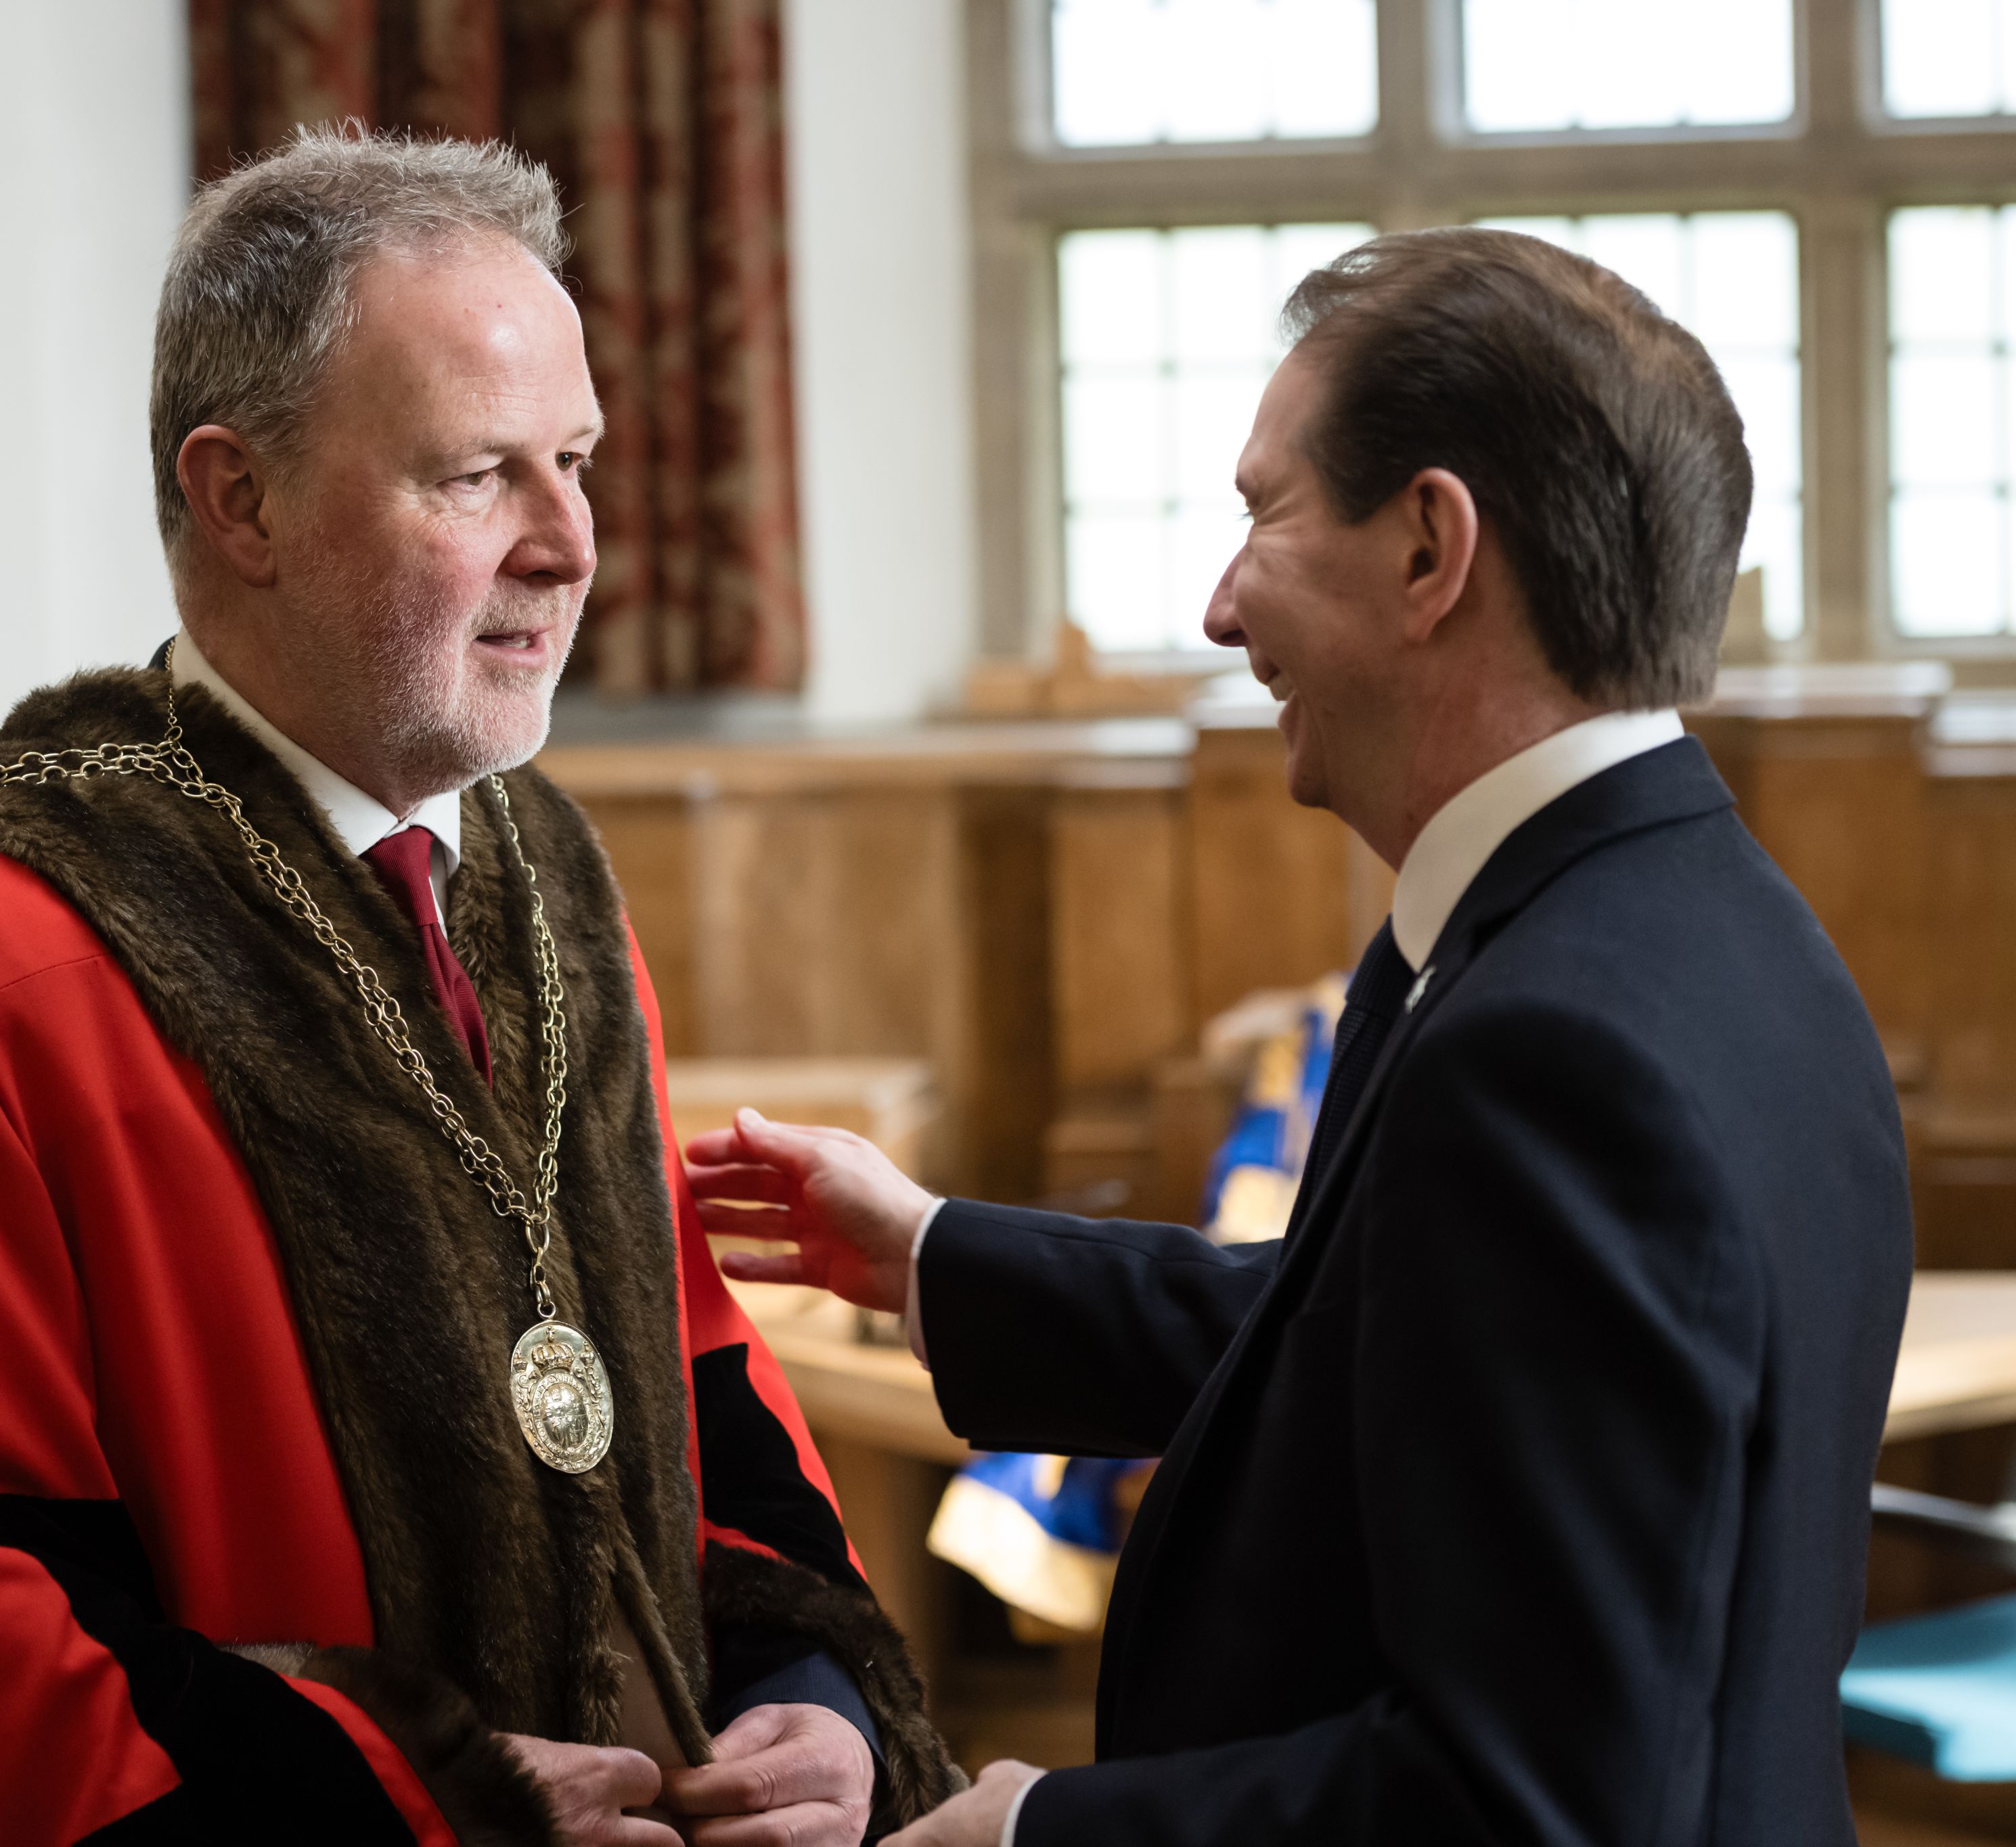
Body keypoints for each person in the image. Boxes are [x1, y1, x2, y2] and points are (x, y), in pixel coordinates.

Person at [0, 128, 960, 1847]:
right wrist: (401, 1802)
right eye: (476, 477)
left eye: (575, 462)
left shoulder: (540, 884)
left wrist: (806, 1699)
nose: (569, 544)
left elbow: (680, 1392)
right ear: (241, 500)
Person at [690, 228, 1913, 1847]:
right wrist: (930, 1256)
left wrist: (1037, 1833)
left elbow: (1517, 1805)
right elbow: (1379, 1343)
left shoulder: (1551, 1051)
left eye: (1262, 513)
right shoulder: (1713, 927)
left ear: (1427, 550)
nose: (1217, 609)